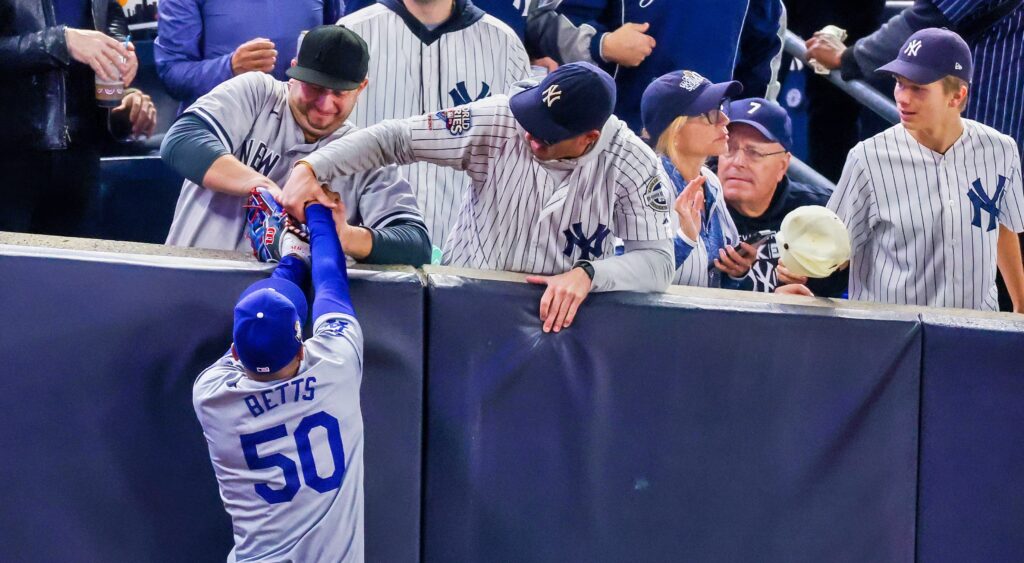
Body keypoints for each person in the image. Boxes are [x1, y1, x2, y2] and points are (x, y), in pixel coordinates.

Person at [281, 62, 675, 332]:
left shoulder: (633, 162)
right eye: (532, 117)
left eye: (547, 133)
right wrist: (311, 168)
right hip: (463, 300)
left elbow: (658, 263)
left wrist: (590, 274)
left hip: (560, 324)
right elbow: (395, 137)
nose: (530, 133)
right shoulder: (502, 117)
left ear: (590, 137)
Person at [161, 25, 430, 267]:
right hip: (192, 277)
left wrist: (346, 236)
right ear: (293, 73)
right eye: (315, 87)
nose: (325, 104)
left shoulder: (365, 151)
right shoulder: (258, 93)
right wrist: (265, 189)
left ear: (361, 89)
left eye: (339, 92)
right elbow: (181, 140)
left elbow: (415, 244)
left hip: (293, 307)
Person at [193, 193, 366, 561]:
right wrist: (315, 212)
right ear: (300, 345)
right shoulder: (335, 363)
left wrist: (289, 262)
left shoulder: (211, 395)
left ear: (236, 352)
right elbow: (331, 282)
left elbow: (252, 336)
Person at [827, 28, 1024, 311]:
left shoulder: (1001, 150)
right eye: (898, 83)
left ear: (956, 97)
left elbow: (1004, 226)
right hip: (893, 339)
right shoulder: (867, 158)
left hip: (977, 332)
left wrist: (1020, 307)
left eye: (917, 88)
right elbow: (835, 249)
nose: (902, 98)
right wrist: (796, 267)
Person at [338, 0, 532, 256]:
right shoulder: (352, 32)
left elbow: (523, 162)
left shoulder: (505, 45)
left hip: (468, 252)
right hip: (367, 246)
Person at [0, 0, 157, 236]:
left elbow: (112, 49)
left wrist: (124, 98)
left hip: (81, 162)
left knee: (72, 270)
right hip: (11, 161)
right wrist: (61, 42)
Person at [538, 0, 785, 133]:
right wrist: (602, 44)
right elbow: (546, 24)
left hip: (702, 147)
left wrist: (738, 135)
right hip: (614, 133)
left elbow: (762, 62)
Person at [717, 97, 847, 297]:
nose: (738, 162)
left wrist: (815, 280)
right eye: (729, 148)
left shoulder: (822, 212)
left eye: (754, 152)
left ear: (783, 165)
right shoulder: (697, 206)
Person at [640, 70, 757, 288]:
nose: (725, 119)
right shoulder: (645, 184)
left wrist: (736, 272)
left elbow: (711, 281)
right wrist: (684, 240)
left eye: (720, 108)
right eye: (709, 113)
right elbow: (635, 275)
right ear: (674, 129)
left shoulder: (711, 182)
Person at [154, 0, 343, 113]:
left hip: (306, 133)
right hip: (223, 137)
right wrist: (230, 68)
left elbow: (342, 42)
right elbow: (172, 73)